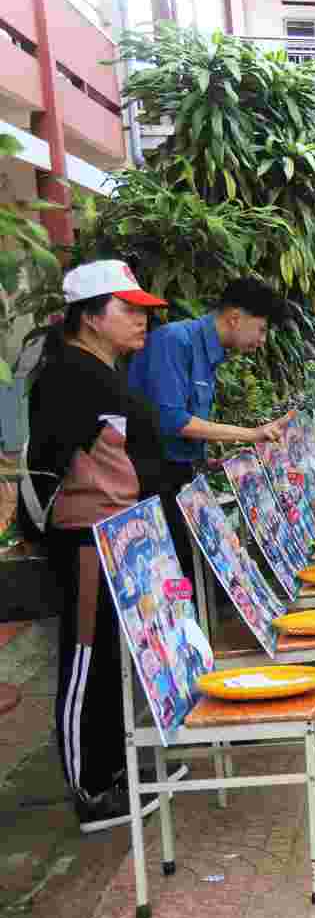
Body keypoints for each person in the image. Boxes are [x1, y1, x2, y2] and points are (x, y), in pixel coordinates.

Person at [26, 261, 169, 831]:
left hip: (120, 537)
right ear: (89, 316)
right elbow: (46, 470)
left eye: (144, 311)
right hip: (87, 540)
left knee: (110, 655)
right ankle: (91, 791)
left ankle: (113, 772)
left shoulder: (101, 371)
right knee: (85, 658)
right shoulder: (67, 376)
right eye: (128, 309)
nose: (142, 322)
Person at [125, 276, 285, 578]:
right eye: (261, 329)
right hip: (149, 482)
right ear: (235, 318)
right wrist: (252, 434)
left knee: (193, 569)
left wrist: (206, 461)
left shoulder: (210, 354)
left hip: (178, 474)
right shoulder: (175, 341)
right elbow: (173, 420)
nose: (263, 340)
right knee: (174, 572)